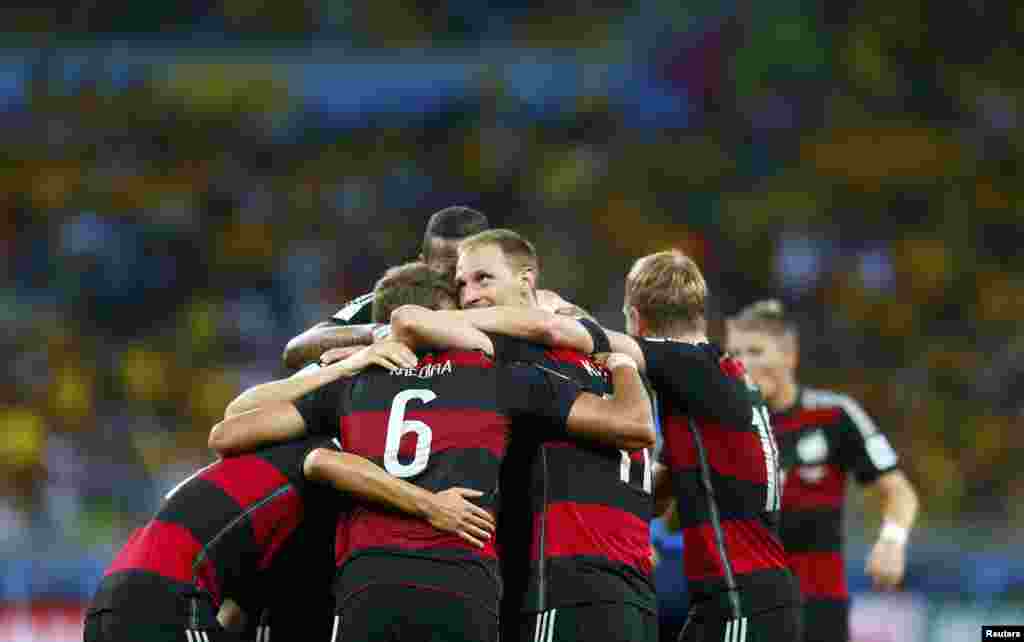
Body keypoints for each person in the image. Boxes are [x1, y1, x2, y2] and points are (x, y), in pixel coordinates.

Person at [208, 261, 655, 642]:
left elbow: (228, 432)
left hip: (369, 585)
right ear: (443, 317)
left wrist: (347, 362)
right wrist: (619, 362)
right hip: (463, 585)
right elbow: (630, 427)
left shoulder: (353, 384)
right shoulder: (497, 374)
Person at [451, 249, 802, 642]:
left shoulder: (688, 363)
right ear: (699, 311)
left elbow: (556, 333)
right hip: (743, 598)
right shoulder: (717, 382)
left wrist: (441, 320)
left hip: (740, 600)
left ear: (634, 317)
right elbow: (660, 496)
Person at [85, 397, 495, 642]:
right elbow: (321, 463)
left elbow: (236, 610)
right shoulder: (325, 447)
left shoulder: (259, 472)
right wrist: (431, 505)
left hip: (114, 595)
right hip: (166, 598)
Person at [449, 230, 659, 642]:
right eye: (462, 285)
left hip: (567, 591)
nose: (469, 295)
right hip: (633, 594)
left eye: (483, 279)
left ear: (526, 282)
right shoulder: (615, 369)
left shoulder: (528, 362)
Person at [725, 300, 919, 642]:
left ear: (790, 356)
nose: (744, 362)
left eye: (756, 351)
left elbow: (899, 490)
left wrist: (892, 541)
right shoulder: (724, 427)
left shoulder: (834, 416)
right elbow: (680, 515)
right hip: (744, 610)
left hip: (817, 611)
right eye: (736, 352)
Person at [281, 206, 490, 370]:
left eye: (477, 275)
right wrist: (379, 331)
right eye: (448, 273)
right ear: (422, 264)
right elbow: (296, 349)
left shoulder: (511, 301)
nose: (460, 284)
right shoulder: (395, 297)